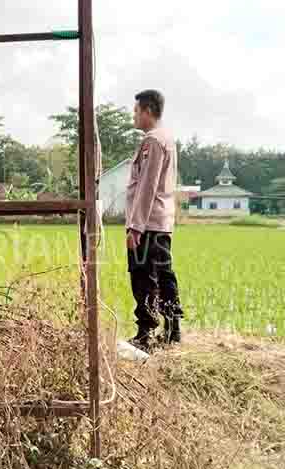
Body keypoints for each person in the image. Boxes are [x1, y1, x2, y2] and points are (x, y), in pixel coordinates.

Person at [126, 89, 184, 350]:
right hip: (161, 220)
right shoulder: (167, 139)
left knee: (144, 276)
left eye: (137, 110)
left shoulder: (153, 141)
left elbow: (146, 186)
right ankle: (172, 329)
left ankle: (145, 333)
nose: (134, 115)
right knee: (162, 274)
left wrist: (135, 227)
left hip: (148, 223)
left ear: (148, 111)